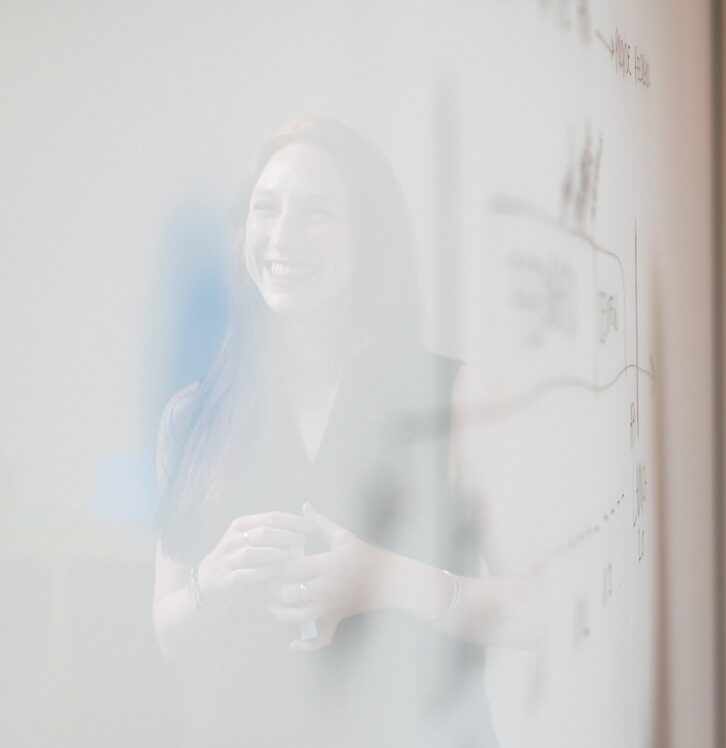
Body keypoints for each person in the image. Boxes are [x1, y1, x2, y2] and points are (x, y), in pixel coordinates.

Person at [151, 118, 540, 747]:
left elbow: (534, 608)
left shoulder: (463, 400)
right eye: (265, 209)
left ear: (370, 240)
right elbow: (169, 634)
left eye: (317, 213)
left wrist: (388, 580)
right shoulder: (193, 416)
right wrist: (214, 576)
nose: (283, 237)